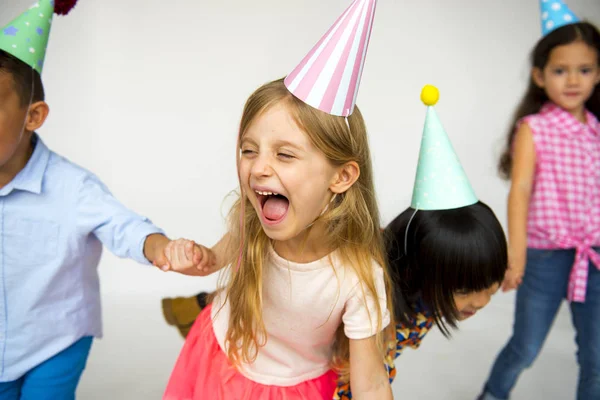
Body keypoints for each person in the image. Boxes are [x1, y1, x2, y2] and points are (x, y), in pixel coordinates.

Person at [478, 2, 600, 399]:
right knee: (526, 346)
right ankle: (492, 395)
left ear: (598, 73)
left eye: (584, 69)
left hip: (593, 256)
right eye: (560, 70)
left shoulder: (597, 130)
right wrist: (518, 256)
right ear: (539, 76)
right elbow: (521, 191)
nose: (572, 80)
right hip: (545, 256)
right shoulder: (534, 129)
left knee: (596, 357)